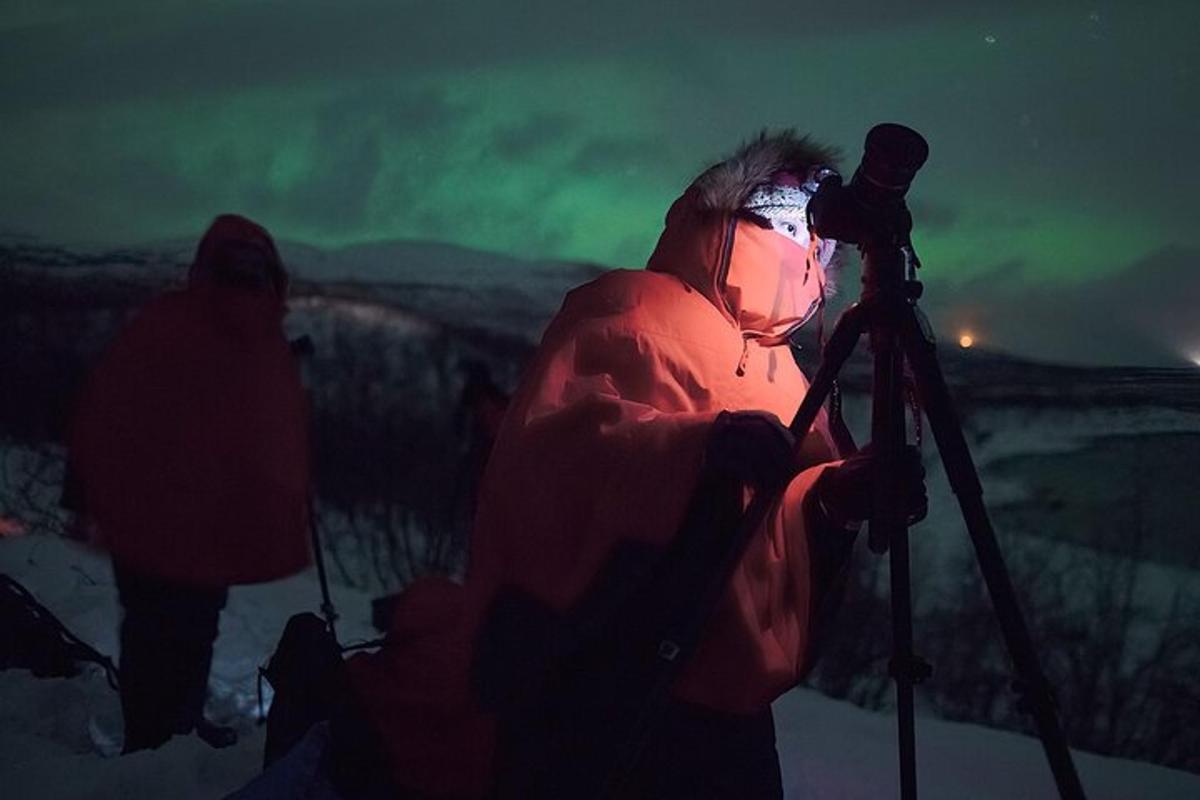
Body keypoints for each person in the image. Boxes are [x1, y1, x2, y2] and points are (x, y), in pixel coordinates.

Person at [239, 131, 927, 799]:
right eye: (781, 220)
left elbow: (775, 531)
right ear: (726, 215)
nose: (801, 248)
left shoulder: (788, 376)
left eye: (814, 238)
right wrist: (695, 448)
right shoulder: (629, 306)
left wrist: (836, 498)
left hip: (729, 702)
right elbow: (557, 450)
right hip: (604, 678)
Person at [65, 214, 312, 753]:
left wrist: (81, 495)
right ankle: (164, 733)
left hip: (158, 518)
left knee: (158, 627)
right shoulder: (252, 341)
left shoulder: (166, 324)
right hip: (198, 521)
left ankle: (160, 733)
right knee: (186, 628)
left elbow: (101, 410)